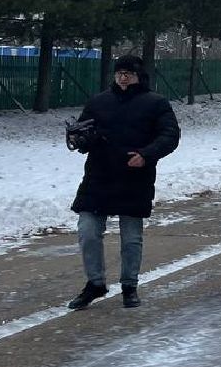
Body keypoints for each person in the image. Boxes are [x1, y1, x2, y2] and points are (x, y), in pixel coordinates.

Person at [66, 54, 181, 310]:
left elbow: (170, 134)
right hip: (99, 175)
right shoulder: (99, 101)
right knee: (87, 232)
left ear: (139, 75)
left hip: (134, 177)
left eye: (128, 72)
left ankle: (130, 285)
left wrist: (147, 154)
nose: (123, 76)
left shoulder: (155, 103)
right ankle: (95, 284)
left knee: (131, 237)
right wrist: (82, 140)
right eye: (119, 72)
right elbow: (85, 131)